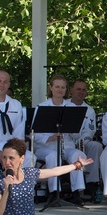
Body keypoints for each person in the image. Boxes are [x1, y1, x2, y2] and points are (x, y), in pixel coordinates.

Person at [33, 74, 89, 203]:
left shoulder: (72, 108)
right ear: (51, 88)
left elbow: (77, 135)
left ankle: (77, 192)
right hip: (46, 148)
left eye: (63, 87)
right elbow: (34, 134)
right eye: (57, 86)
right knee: (54, 156)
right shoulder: (42, 107)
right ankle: (54, 192)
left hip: (66, 146)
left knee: (78, 155)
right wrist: (49, 138)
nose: (60, 90)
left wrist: (71, 128)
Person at [68, 78, 103, 197]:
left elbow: (90, 130)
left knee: (96, 146)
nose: (81, 92)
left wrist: (82, 140)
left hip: (83, 142)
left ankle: (92, 183)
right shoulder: (65, 105)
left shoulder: (90, 110)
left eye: (83, 90)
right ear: (71, 90)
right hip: (67, 142)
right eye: (78, 89)